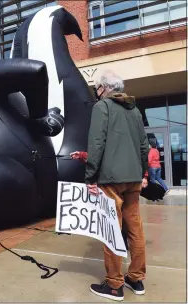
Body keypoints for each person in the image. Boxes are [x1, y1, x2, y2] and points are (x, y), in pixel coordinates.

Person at [84, 70, 149, 301]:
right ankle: (136, 278)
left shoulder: (102, 108)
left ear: (103, 88)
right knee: (135, 228)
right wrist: (141, 172)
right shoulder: (135, 111)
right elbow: (144, 146)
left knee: (111, 229)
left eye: (96, 88)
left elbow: (97, 143)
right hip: (133, 178)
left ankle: (114, 284)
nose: (96, 92)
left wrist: (90, 176)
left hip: (110, 179)